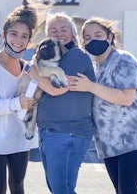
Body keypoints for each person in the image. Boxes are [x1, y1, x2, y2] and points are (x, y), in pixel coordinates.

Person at [69, 16, 137, 194]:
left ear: (109, 37)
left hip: (135, 140)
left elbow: (126, 98)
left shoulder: (123, 59)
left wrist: (91, 86)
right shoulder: (94, 68)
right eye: (86, 37)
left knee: (127, 190)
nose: (92, 40)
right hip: (110, 145)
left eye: (98, 34)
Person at [0, 0, 48, 194]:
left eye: (24, 36)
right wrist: (17, 103)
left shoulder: (28, 69)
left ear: (29, 41)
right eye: (14, 34)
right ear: (3, 35)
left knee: (17, 188)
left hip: (19, 139)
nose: (18, 40)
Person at [28, 12, 96, 194]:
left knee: (61, 190)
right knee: (58, 188)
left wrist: (32, 72)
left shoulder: (75, 55)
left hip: (67, 133)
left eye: (64, 29)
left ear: (73, 35)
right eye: (53, 30)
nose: (59, 33)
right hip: (51, 132)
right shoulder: (54, 59)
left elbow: (55, 88)